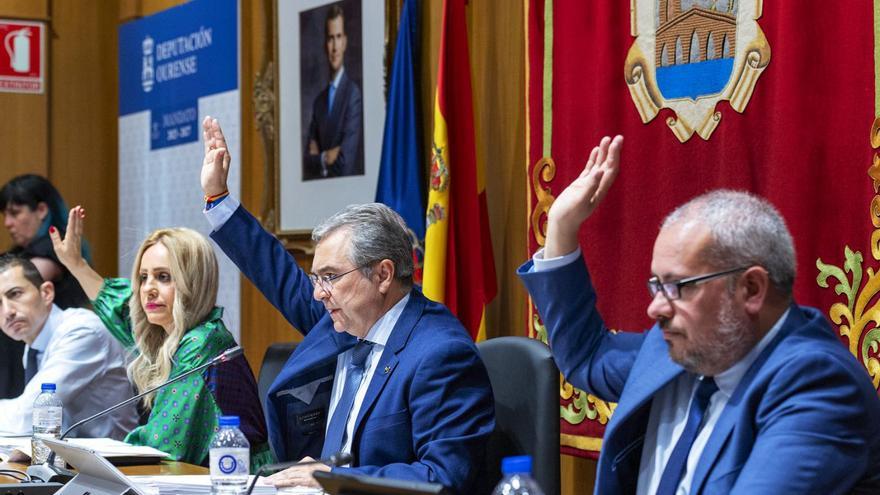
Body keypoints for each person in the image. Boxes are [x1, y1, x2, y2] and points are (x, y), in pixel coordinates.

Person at [517, 136, 880, 494]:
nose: (655, 307)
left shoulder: (817, 384)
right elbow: (586, 356)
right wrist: (562, 229)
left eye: (679, 287)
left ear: (751, 289)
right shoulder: (688, 346)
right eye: (657, 286)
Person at [201, 116, 494, 492]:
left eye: (331, 276)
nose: (319, 293)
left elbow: (442, 478)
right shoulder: (348, 317)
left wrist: (332, 479)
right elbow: (279, 276)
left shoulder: (441, 355)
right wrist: (219, 199)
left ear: (383, 275)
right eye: (318, 278)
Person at [50, 215, 273, 468]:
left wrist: (82, 456)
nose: (148, 289)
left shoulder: (202, 344)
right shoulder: (165, 334)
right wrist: (76, 264)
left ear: (193, 281)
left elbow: (162, 444)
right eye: (143, 277)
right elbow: (124, 309)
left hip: (238, 481)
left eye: (163, 277)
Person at [0, 255, 136, 438]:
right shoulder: (33, 346)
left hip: (116, 462)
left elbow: (32, 414)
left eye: (15, 294)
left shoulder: (82, 331)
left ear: (46, 293)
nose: (8, 311)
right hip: (69, 459)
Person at [0, 174, 90, 399]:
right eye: (5, 215)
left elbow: (23, 278)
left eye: (15, 213)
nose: (7, 223)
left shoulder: (54, 250)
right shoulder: (18, 253)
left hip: (55, 353)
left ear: (41, 210)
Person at [303, 3, 364, 180]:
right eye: (331, 38)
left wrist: (319, 157)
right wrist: (327, 157)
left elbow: (345, 163)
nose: (335, 47)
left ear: (344, 41)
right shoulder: (319, 102)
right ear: (325, 44)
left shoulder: (353, 95)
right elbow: (307, 162)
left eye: (338, 37)